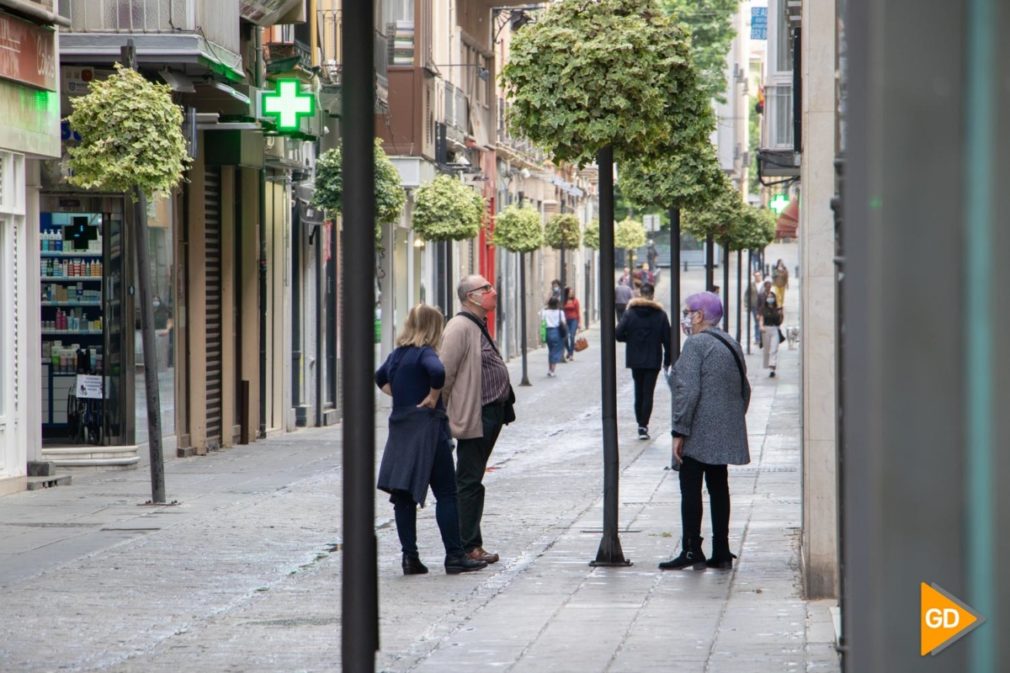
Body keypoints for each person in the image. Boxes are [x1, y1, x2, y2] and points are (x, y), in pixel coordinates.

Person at [375, 304, 488, 576]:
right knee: (447, 494)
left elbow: (380, 377)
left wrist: (401, 396)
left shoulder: (397, 355)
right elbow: (438, 372)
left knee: (402, 497)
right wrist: (433, 397)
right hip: (428, 430)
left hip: (401, 430)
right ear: (434, 328)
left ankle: (410, 558)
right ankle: (455, 556)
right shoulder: (425, 352)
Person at [660, 291, 750, 571]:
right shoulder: (731, 342)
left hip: (697, 430)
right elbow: (744, 389)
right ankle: (721, 550)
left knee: (690, 489)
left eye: (688, 312)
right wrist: (728, 419)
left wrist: (679, 430)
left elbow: (686, 391)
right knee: (719, 487)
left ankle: (691, 549)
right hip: (722, 429)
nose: (686, 317)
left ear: (699, 315)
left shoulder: (696, 344)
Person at [441, 275, 513, 565]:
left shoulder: (477, 324)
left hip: (491, 412)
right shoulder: (459, 327)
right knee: (469, 481)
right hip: (475, 414)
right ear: (471, 296)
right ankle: (468, 546)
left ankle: (471, 543)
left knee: (473, 479)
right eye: (486, 288)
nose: (493, 291)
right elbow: (444, 373)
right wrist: (441, 411)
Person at [615, 282, 672, 440]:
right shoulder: (660, 315)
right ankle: (643, 425)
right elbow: (668, 340)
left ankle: (639, 422)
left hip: (635, 358)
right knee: (648, 393)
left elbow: (618, 334)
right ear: (653, 295)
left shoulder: (630, 313)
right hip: (653, 359)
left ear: (640, 293)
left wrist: (630, 339)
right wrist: (668, 360)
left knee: (638, 391)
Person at [540, 297, 567, 376]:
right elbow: (564, 322)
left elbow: (541, 318)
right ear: (557, 303)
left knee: (550, 350)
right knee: (555, 351)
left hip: (548, 332)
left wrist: (545, 304)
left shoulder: (545, 312)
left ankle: (549, 369)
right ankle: (552, 370)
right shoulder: (560, 312)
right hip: (556, 332)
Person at [760, 289, 784, 378]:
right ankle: (769, 365)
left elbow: (780, 322)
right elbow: (761, 319)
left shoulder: (777, 309)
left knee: (774, 349)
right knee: (767, 350)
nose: (770, 298)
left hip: (775, 329)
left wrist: (781, 314)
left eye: (772, 297)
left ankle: (772, 367)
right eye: (768, 297)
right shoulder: (763, 309)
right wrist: (761, 327)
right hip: (766, 330)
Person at [746, 271, 764, 347]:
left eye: (758, 275)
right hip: (754, 306)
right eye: (756, 276)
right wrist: (747, 304)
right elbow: (747, 295)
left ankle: (762, 338)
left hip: (762, 306)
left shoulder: (764, 285)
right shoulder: (751, 285)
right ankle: (757, 338)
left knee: (762, 321)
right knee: (757, 322)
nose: (757, 277)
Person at [562, 287, 581, 361]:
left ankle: (571, 354)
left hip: (574, 320)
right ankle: (569, 350)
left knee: (572, 336)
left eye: (572, 292)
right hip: (565, 320)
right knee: (565, 337)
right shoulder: (564, 301)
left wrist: (579, 323)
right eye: (570, 292)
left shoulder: (575, 301)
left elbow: (578, 312)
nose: (571, 293)